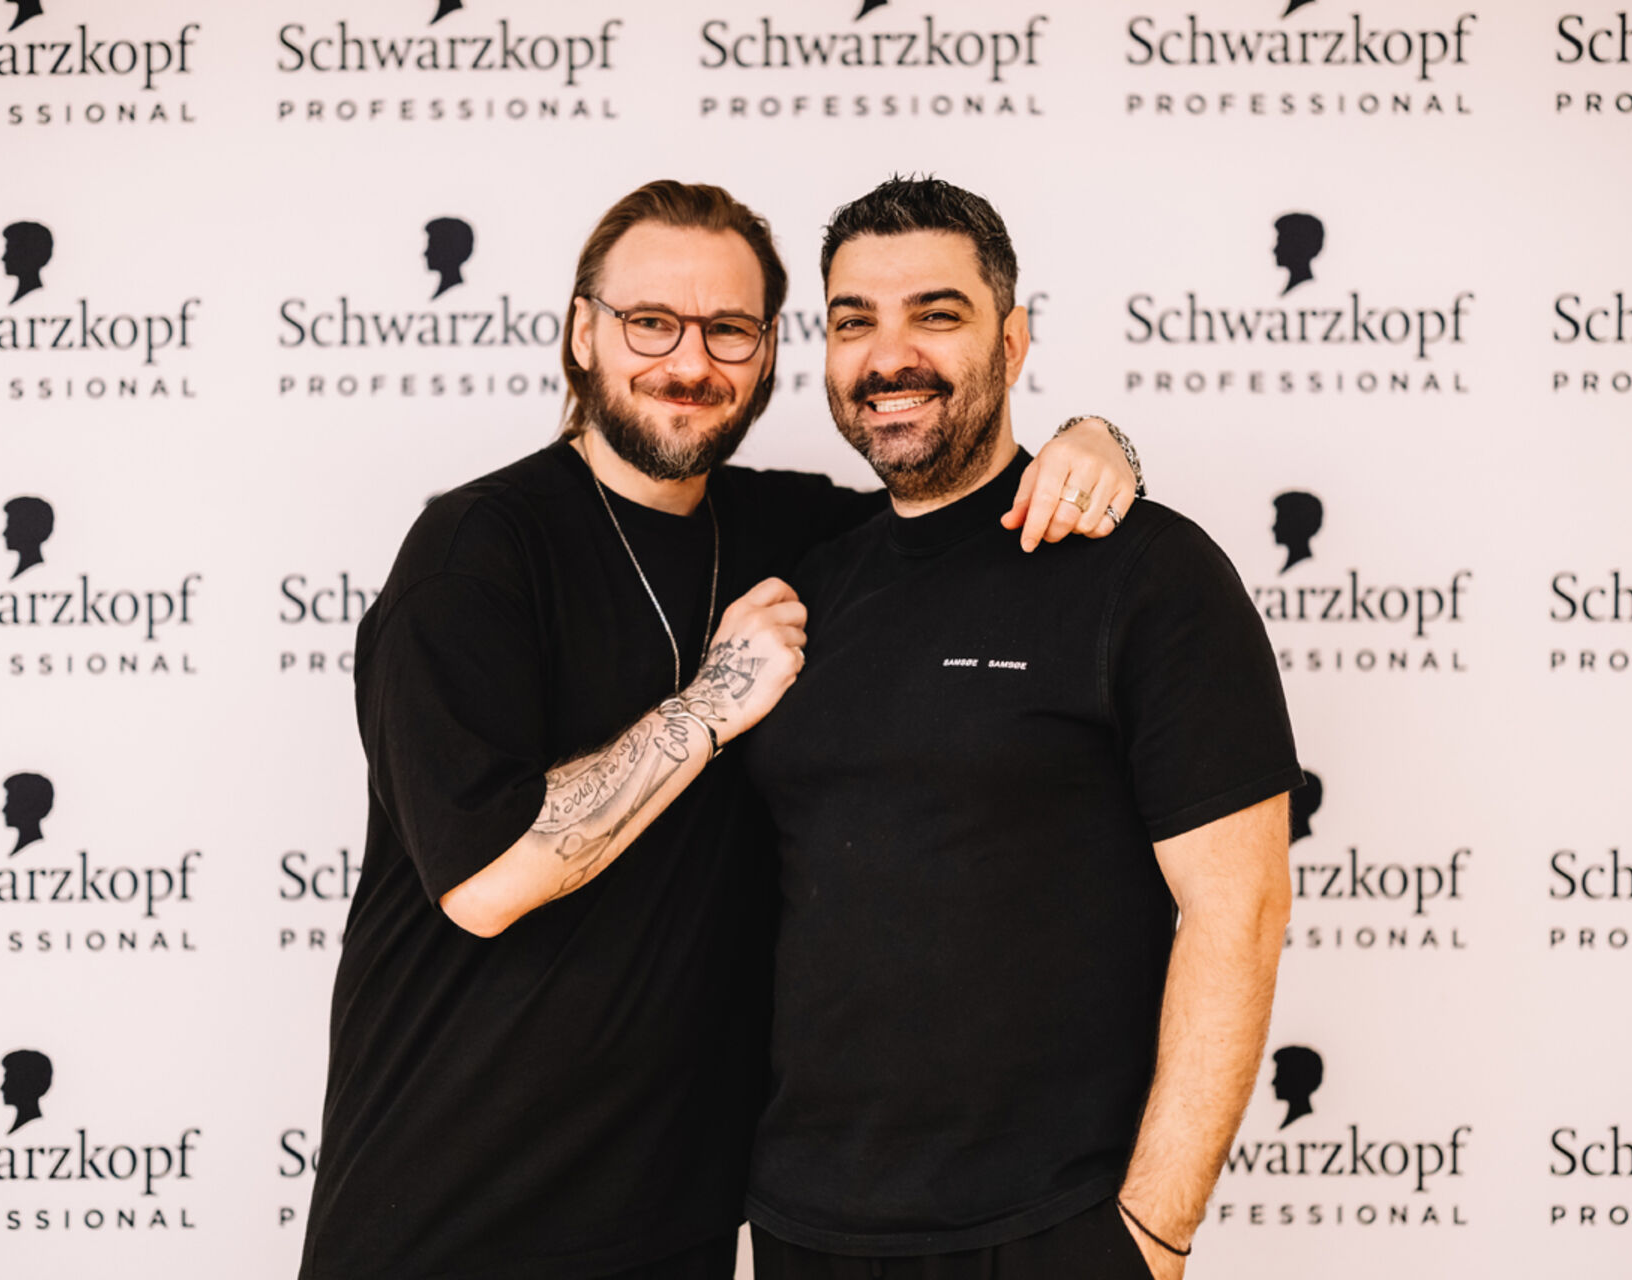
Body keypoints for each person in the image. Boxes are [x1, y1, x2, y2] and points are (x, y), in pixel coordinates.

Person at [299, 180, 1144, 1280]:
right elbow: (486, 879)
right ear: (583, 332)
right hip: (446, 1216)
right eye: (651, 322)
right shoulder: (476, 555)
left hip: (678, 1224)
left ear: (770, 350)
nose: (689, 362)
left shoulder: (800, 536)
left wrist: (1098, 441)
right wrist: (711, 703)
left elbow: (961, 493)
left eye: (729, 329)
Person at [743, 177, 1300, 1280]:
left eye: (935, 314)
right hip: (807, 1228)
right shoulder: (806, 576)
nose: (889, 355)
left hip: (1048, 1227)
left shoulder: (1146, 573)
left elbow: (1239, 908)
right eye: (854, 321)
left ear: (1012, 339)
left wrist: (1152, 1233)